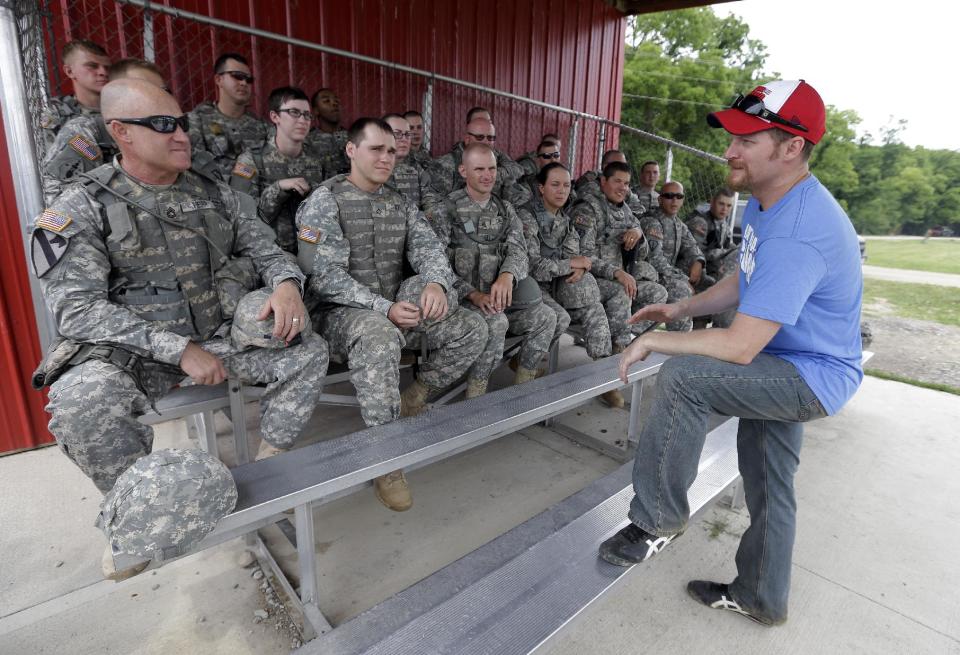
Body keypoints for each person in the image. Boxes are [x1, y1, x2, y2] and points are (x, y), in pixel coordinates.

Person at [31, 79, 329, 580]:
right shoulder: (80, 207)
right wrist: (178, 350)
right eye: (164, 125)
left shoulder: (216, 194)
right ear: (121, 132)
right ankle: (134, 512)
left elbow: (267, 249)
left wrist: (285, 283)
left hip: (218, 337)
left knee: (306, 350)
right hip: (134, 354)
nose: (181, 136)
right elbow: (78, 311)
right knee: (79, 402)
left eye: (183, 123)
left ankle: (267, 468)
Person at [598, 80, 863, 627]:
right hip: (788, 359)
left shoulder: (797, 228)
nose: (729, 151)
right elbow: (745, 282)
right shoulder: (773, 201)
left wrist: (655, 341)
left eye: (746, 139)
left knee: (685, 377)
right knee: (769, 480)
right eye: (732, 137)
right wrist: (678, 310)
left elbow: (740, 346)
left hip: (805, 372)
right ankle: (762, 595)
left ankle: (655, 522)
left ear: (791, 147)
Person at [295, 117, 487, 512]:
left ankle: (415, 397)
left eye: (390, 150)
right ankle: (386, 459)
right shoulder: (325, 201)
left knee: (472, 327)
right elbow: (322, 279)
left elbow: (430, 250)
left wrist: (435, 283)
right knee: (379, 336)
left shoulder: (398, 203)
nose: (387, 157)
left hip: (394, 311)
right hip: (340, 317)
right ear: (352, 150)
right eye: (376, 149)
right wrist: (383, 309)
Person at [432, 143, 556, 399]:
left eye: (492, 168)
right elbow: (436, 264)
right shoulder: (446, 209)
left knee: (547, 317)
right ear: (463, 171)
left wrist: (506, 276)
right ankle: (476, 395)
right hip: (462, 303)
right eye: (479, 169)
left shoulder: (505, 210)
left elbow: (519, 252)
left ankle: (523, 386)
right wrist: (473, 294)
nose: (488, 175)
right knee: (497, 322)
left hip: (500, 300)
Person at [517, 162, 624, 407]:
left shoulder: (564, 221)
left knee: (593, 307)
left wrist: (581, 266)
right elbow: (532, 265)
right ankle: (523, 381)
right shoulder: (526, 217)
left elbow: (576, 256)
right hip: (529, 287)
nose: (561, 190)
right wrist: (572, 265)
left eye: (566, 185)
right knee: (559, 317)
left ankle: (604, 376)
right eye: (555, 184)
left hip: (556, 284)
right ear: (541, 188)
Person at [570, 161, 668, 346]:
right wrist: (616, 272)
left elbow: (641, 254)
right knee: (622, 291)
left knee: (659, 294)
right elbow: (583, 256)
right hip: (591, 279)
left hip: (618, 277)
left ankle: (627, 339)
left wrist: (639, 235)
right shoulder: (587, 209)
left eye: (626, 183)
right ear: (603, 181)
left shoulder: (624, 209)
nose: (622, 188)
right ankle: (618, 346)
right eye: (617, 181)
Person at [42, 58, 165, 204]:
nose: (159, 97)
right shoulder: (86, 134)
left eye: (163, 91)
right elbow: (57, 196)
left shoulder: (169, 129)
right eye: (145, 90)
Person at [230, 86, 327, 254]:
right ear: (275, 116)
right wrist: (278, 188)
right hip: (268, 255)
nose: (303, 120)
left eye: (307, 115)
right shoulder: (251, 160)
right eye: (294, 112)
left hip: (311, 252)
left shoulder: (317, 160)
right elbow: (243, 219)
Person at [187, 53, 268, 180]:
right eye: (237, 76)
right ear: (219, 80)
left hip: (252, 195)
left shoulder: (261, 127)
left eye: (249, 79)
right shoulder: (197, 120)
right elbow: (195, 168)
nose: (243, 83)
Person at [640, 180, 705, 332]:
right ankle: (678, 341)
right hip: (649, 275)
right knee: (682, 290)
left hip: (666, 275)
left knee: (710, 284)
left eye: (679, 196)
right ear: (660, 199)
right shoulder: (652, 221)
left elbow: (692, 246)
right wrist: (683, 278)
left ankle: (700, 334)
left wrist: (698, 261)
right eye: (669, 196)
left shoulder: (678, 223)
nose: (674, 200)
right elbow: (656, 261)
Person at [427, 117, 530, 208]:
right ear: (467, 139)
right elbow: (432, 205)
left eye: (490, 138)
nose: (486, 142)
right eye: (480, 137)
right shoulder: (445, 165)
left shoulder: (498, 159)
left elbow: (517, 178)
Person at [39, 39, 111, 149]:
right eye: (92, 66)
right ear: (70, 72)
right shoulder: (59, 116)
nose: (103, 72)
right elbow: (58, 161)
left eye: (107, 67)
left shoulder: (124, 107)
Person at [686, 187, 739, 328]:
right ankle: (700, 329)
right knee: (713, 285)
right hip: (693, 270)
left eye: (728, 206)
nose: (724, 209)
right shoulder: (700, 222)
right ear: (712, 202)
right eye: (721, 204)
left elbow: (728, 247)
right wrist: (722, 252)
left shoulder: (724, 225)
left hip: (712, 271)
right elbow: (695, 254)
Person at [382, 113, 441, 218]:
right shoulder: (369, 169)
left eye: (407, 134)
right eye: (397, 134)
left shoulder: (416, 171)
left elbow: (433, 205)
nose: (404, 139)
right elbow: (372, 210)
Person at [574, 149, 646, 216]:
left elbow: (640, 209)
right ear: (605, 166)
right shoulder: (591, 183)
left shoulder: (623, 186)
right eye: (618, 165)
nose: (623, 169)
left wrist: (628, 219)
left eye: (624, 165)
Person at [305, 88, 349, 175]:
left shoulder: (354, 137)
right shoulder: (307, 141)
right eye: (327, 101)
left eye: (337, 100)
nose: (334, 103)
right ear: (316, 111)